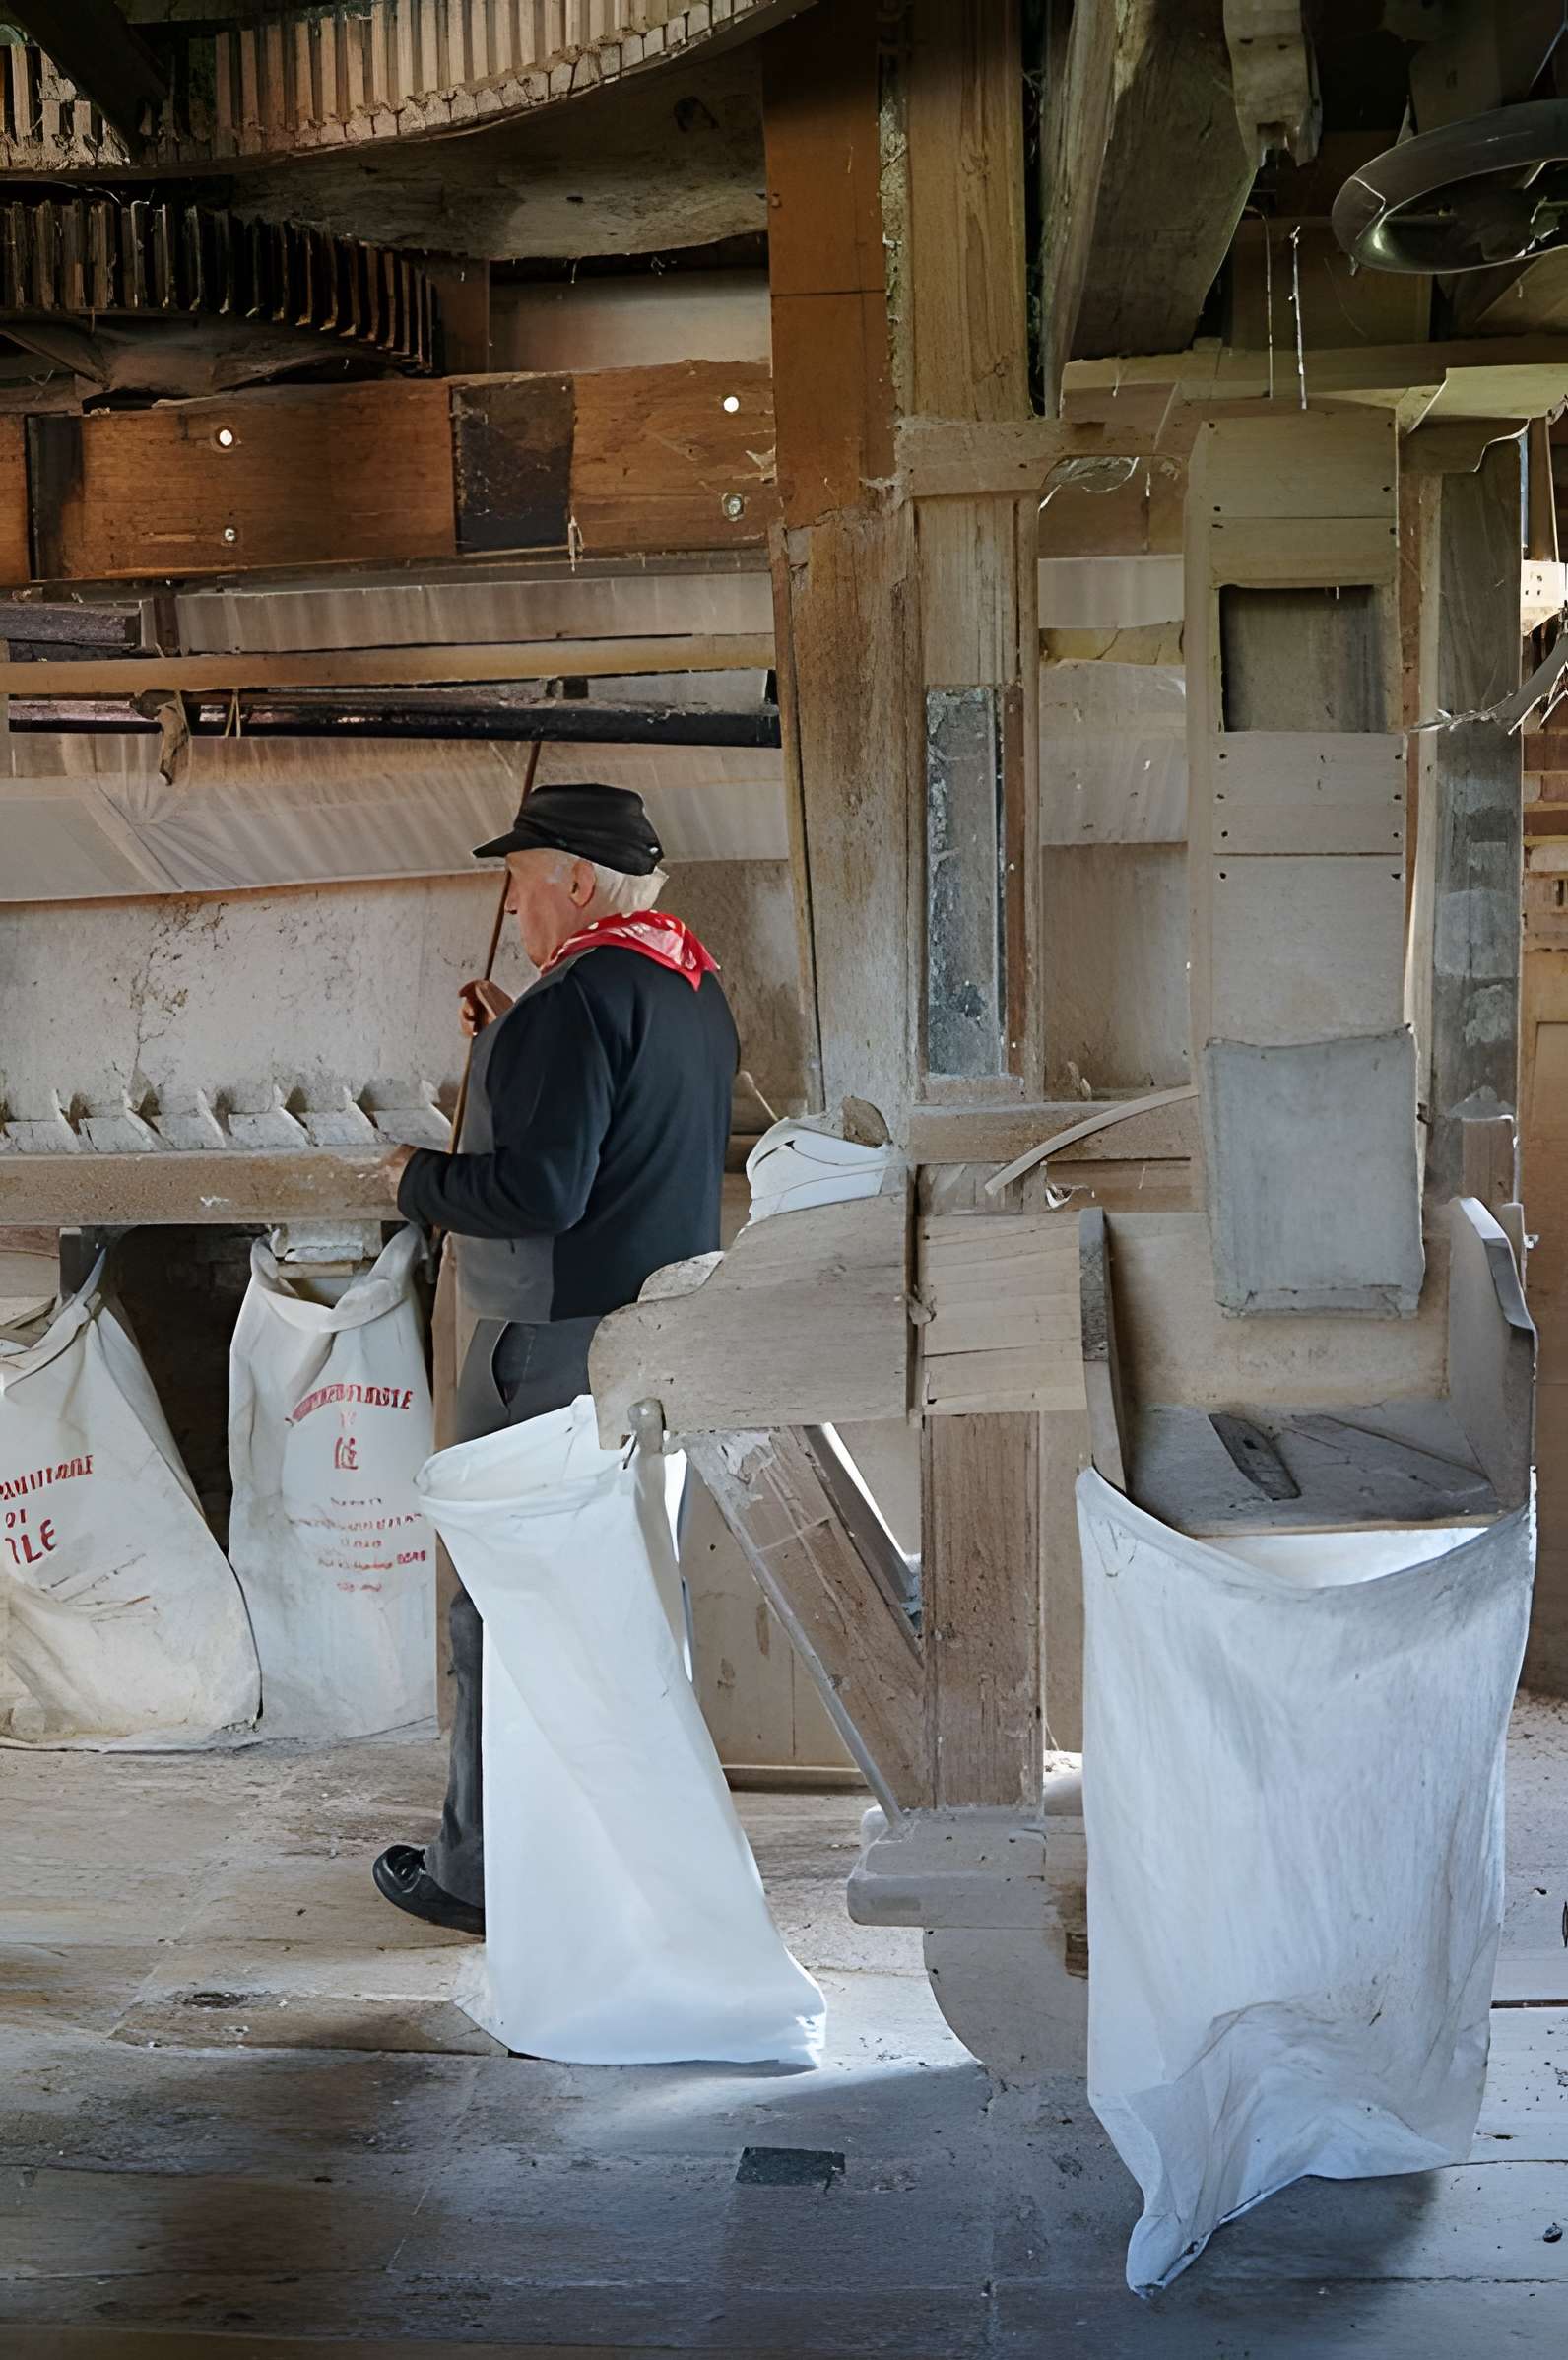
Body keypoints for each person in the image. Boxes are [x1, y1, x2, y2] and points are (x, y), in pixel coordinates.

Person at [372, 782, 738, 1935]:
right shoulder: (689, 986)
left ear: (577, 881)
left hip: (547, 1351)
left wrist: (410, 1177)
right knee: (622, 1606)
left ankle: (483, 1873)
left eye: (520, 874)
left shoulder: (571, 1002)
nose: (511, 897)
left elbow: (538, 1189)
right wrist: (514, 1030)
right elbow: (617, 1139)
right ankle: (619, 1866)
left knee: (504, 1605)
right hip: (656, 1338)